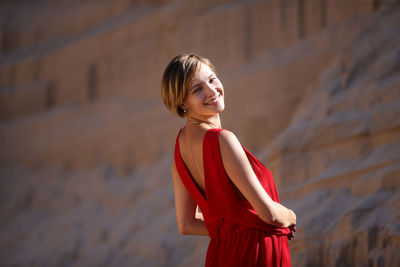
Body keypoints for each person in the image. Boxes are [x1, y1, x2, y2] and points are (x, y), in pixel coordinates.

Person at [161, 54, 296, 267]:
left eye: (212, 79)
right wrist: (291, 216)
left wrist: (230, 229)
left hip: (221, 255)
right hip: (255, 253)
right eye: (197, 89)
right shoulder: (222, 140)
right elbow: (269, 214)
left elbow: (186, 223)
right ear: (181, 103)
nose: (211, 90)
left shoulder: (180, 146)